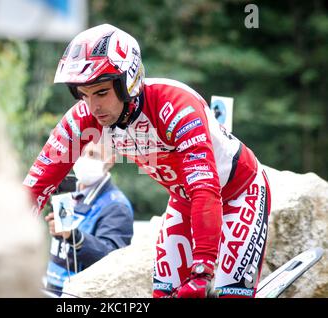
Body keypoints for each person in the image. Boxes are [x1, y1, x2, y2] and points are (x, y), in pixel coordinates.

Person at [23, 24, 271, 298]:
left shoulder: (175, 106)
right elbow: (38, 183)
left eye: (101, 92)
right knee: (164, 293)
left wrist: (202, 271)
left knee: (227, 294)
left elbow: (205, 188)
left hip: (239, 192)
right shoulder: (84, 117)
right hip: (186, 199)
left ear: (127, 82)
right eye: (84, 94)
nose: (93, 106)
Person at [42, 142, 134, 296]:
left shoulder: (117, 206)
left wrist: (73, 236)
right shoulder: (68, 191)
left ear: (110, 161)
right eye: (82, 152)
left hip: (82, 295)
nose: (84, 159)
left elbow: (113, 259)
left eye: (93, 154)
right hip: (52, 286)